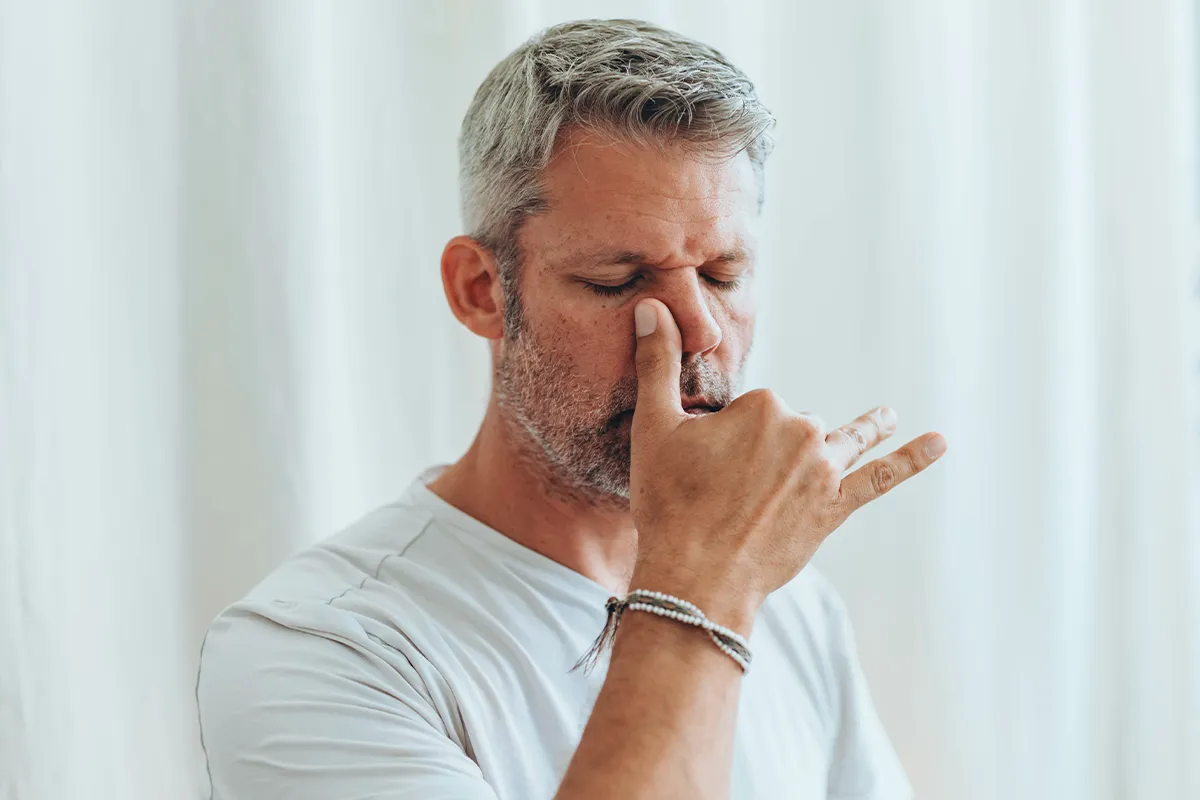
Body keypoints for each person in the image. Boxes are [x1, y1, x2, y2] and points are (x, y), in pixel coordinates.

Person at [196, 18, 947, 800]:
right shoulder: (324, 648)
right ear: (482, 291)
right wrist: (702, 592)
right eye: (619, 280)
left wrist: (728, 576)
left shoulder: (789, 605)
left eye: (723, 274)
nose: (699, 330)